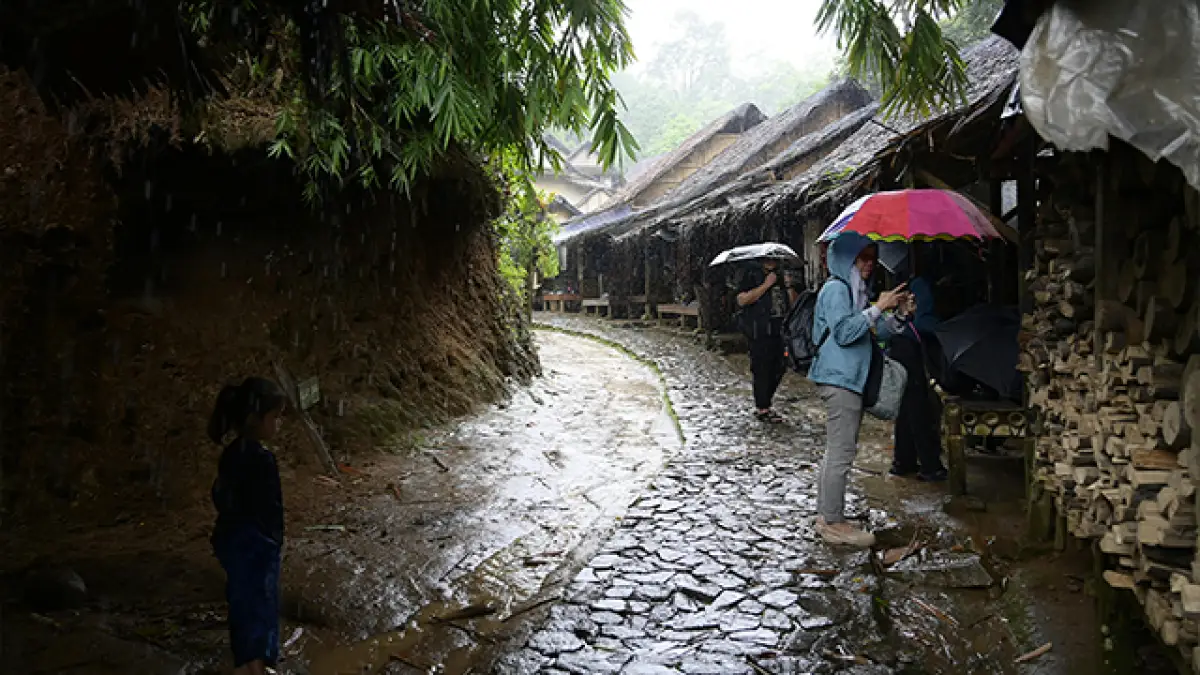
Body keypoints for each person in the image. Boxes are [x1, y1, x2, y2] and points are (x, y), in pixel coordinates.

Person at [808, 233, 910, 547]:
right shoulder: (837, 288)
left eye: (871, 257)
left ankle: (827, 515)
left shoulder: (854, 291)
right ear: (846, 259)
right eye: (862, 258)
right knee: (842, 452)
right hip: (840, 378)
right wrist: (878, 306)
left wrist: (898, 316)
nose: (868, 264)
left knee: (836, 451)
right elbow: (844, 332)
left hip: (848, 377)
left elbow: (869, 331)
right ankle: (833, 522)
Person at [208, 377, 288, 675]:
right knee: (262, 604)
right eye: (275, 418)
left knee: (244, 604)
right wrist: (273, 541)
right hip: (257, 544)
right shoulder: (262, 460)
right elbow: (270, 508)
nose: (277, 425)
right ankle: (258, 664)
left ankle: (247, 661)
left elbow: (221, 496)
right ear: (256, 419)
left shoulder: (231, 454)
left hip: (234, 541)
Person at [888, 259, 949, 482]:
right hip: (911, 349)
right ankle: (930, 465)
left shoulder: (905, 280)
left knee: (905, 409)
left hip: (900, 347)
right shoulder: (922, 285)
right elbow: (924, 322)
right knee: (919, 407)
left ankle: (903, 461)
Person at [735, 259, 791, 423]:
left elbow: (791, 303)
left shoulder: (781, 276)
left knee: (780, 365)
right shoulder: (751, 274)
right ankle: (762, 407)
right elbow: (742, 300)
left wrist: (788, 286)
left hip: (779, 330)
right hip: (758, 331)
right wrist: (766, 285)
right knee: (761, 368)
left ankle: (766, 400)